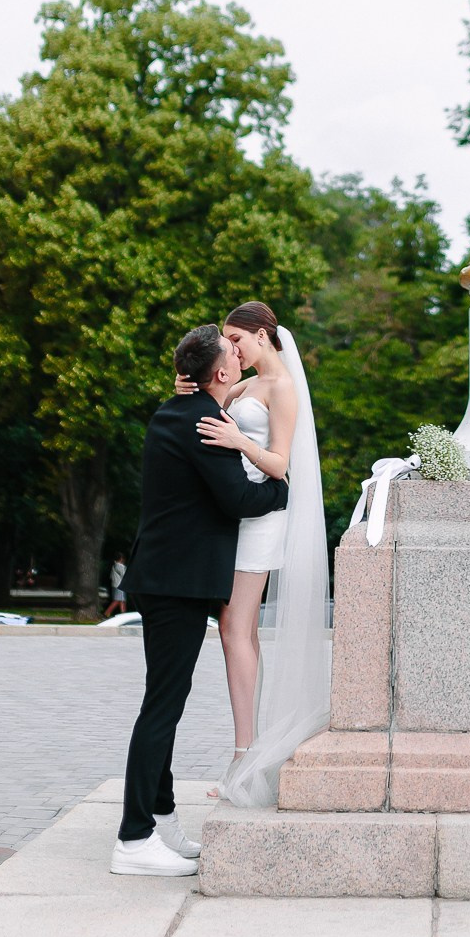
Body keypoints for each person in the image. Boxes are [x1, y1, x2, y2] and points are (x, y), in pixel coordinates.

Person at [111, 322, 289, 877]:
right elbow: (239, 498)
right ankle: (134, 838)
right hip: (178, 582)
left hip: (162, 575)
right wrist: (282, 487)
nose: (238, 357)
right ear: (219, 373)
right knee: (161, 709)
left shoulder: (175, 410)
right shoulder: (206, 423)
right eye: (230, 354)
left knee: (163, 701)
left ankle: (160, 821)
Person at [176, 298, 330, 806]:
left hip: (263, 521)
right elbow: (218, 398)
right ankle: (247, 749)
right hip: (236, 516)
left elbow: (280, 464)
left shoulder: (281, 388)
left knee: (235, 630)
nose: (233, 350)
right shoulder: (251, 383)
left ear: (262, 335)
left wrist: (239, 442)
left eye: (237, 340)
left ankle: (246, 756)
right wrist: (189, 389)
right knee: (232, 630)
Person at [104, 553, 127, 618]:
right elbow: (124, 575)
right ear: (121, 559)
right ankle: (106, 613)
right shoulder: (120, 566)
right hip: (120, 585)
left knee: (120, 601)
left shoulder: (114, 566)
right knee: (119, 601)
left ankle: (123, 615)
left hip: (115, 585)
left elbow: (111, 577)